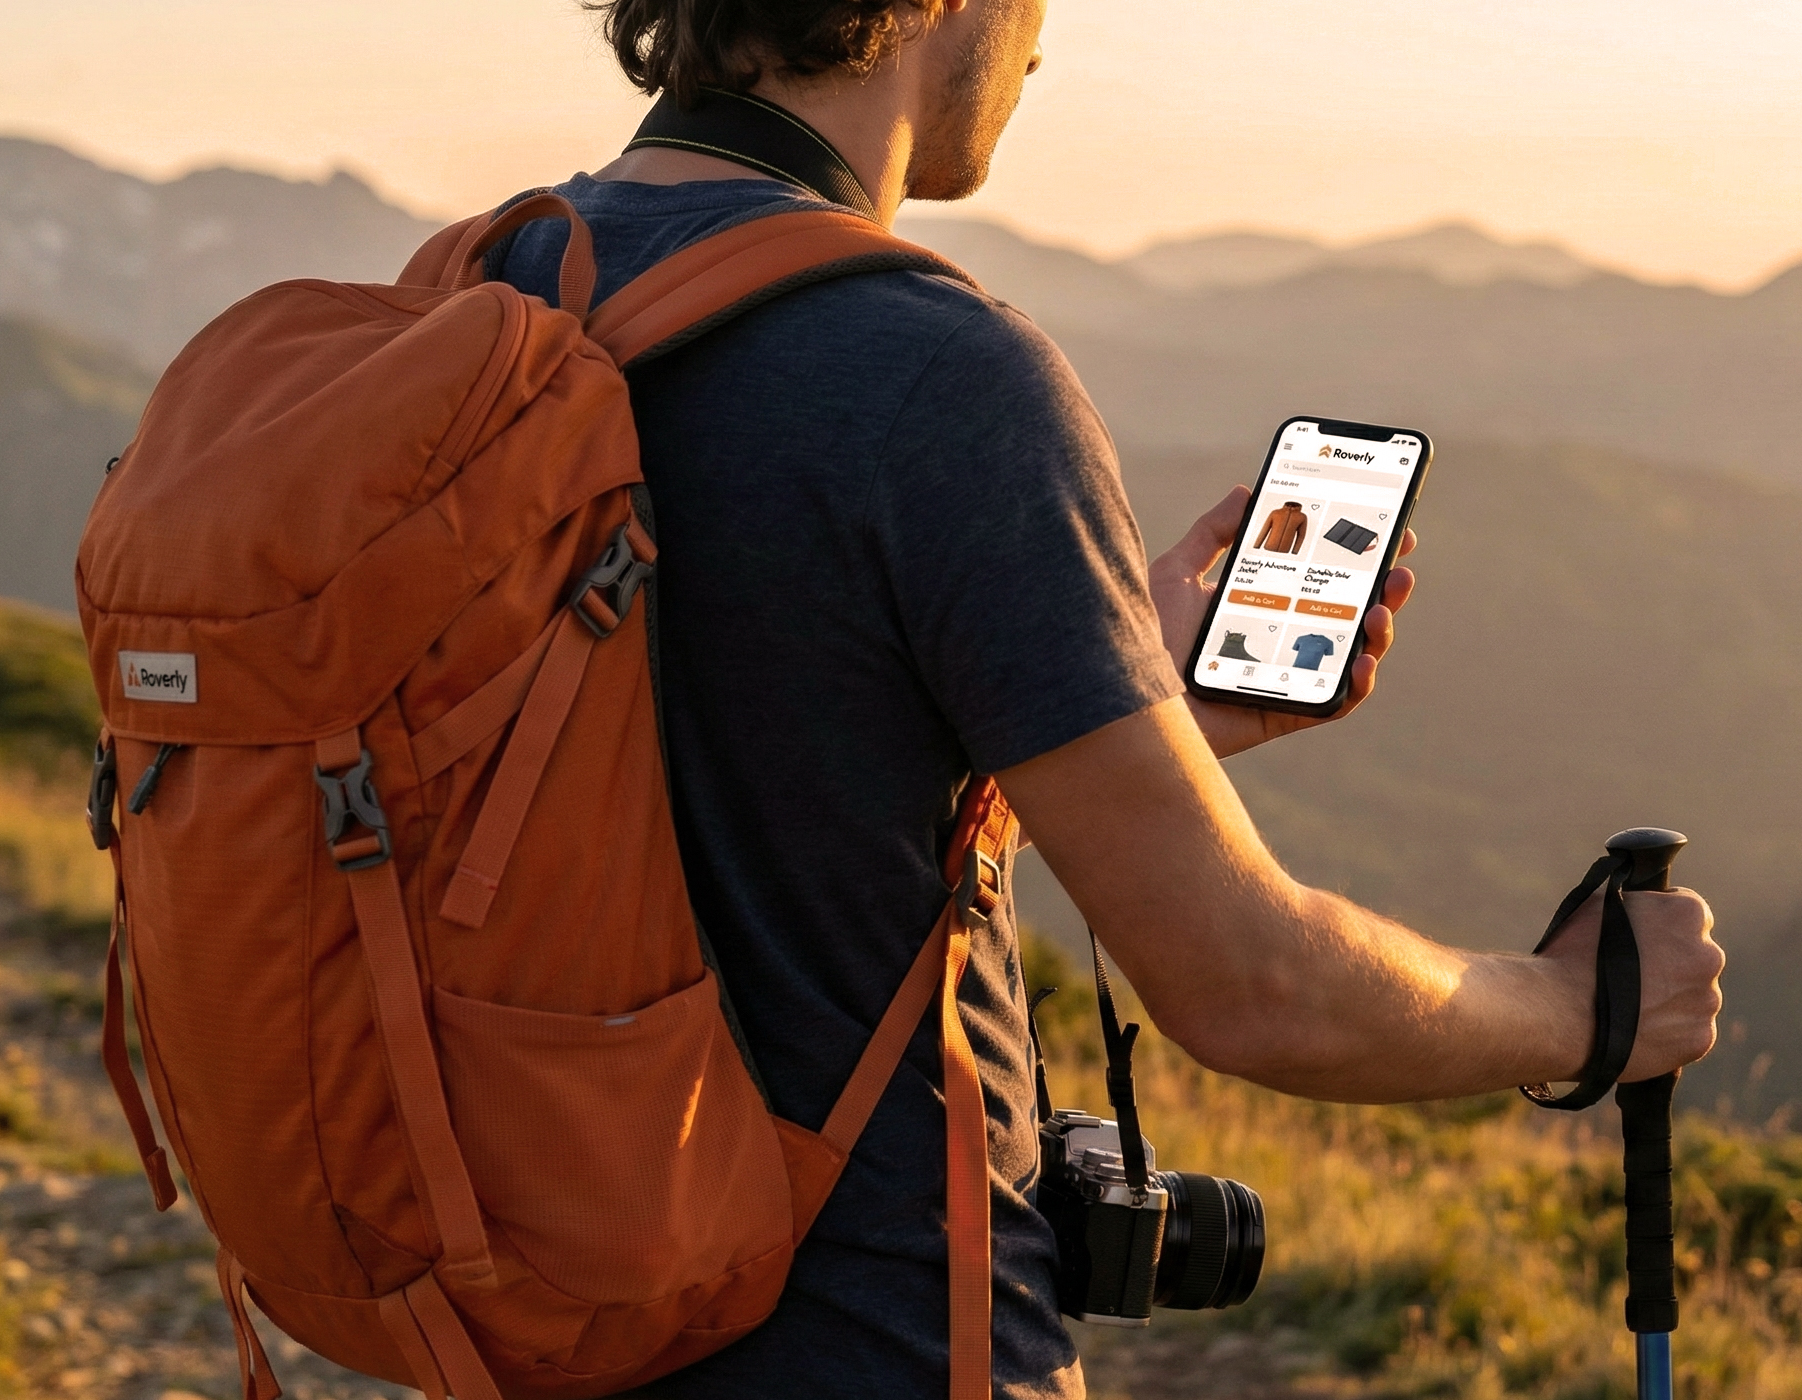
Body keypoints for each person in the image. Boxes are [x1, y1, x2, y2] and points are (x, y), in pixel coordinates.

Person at [500, 1, 1726, 1395]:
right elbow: (1252, 985)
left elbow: (705, 786)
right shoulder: (937, 375)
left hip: (534, 1332)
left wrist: (1093, 702)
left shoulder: (497, 297)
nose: (1043, 45)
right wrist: (1584, 1007)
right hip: (880, 1347)